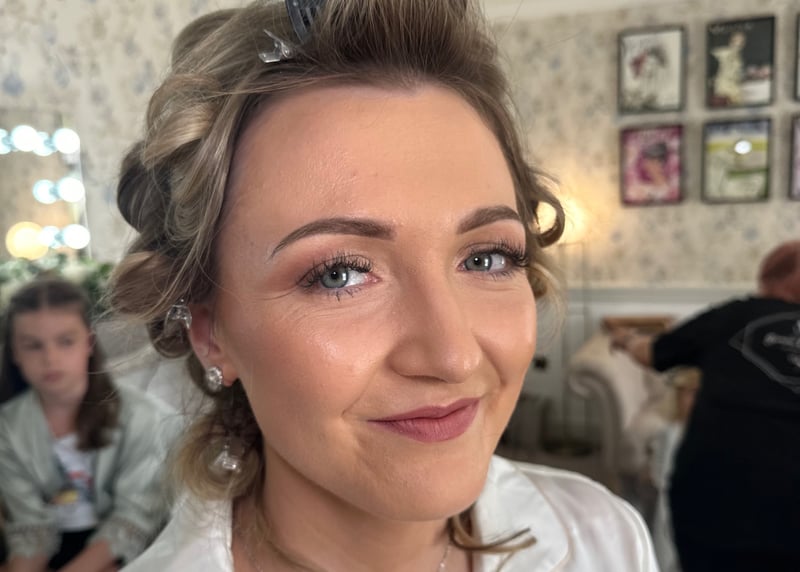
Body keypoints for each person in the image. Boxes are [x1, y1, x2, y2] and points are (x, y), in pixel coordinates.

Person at [113, 1, 658, 570]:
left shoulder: (605, 540)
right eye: (339, 273)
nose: (453, 356)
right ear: (210, 332)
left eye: (486, 258)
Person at [610, 240, 800, 571]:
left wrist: (626, 339)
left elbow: (652, 353)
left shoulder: (736, 315)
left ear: (768, 276)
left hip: (715, 498)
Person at [0, 278, 177, 572]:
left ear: (89, 343)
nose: (50, 358)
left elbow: (133, 523)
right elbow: (30, 527)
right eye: (33, 346)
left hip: (127, 552)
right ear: (15, 354)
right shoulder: (7, 426)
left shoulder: (148, 418)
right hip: (53, 547)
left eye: (65, 341)